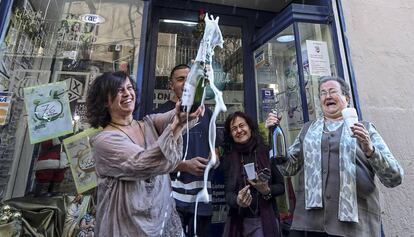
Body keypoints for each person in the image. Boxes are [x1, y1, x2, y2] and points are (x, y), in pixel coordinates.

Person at [265, 76, 404, 237]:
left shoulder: (365, 129)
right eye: (323, 93)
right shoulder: (307, 130)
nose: (327, 96)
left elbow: (395, 177)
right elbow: (288, 169)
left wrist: (370, 150)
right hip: (309, 225)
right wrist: (274, 135)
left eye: (332, 91)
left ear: (346, 98)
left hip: (354, 227)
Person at [86, 71, 202, 237]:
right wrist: (177, 125)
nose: (127, 93)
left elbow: (180, 115)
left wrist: (195, 91)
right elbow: (145, 163)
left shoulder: (149, 123)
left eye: (129, 88)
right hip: (127, 228)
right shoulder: (104, 141)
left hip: (160, 223)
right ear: (105, 101)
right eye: (119, 90)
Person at [153, 64, 217, 237]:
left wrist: (215, 158)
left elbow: (217, 150)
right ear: (170, 85)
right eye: (180, 79)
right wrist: (184, 165)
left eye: (190, 79)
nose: (186, 83)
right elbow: (152, 161)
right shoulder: (159, 116)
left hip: (202, 196)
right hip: (169, 195)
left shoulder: (207, 113)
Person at [221, 111, 285, 237]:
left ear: (249, 127)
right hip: (238, 222)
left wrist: (266, 190)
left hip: (265, 221)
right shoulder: (229, 158)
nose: (239, 131)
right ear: (231, 134)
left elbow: (281, 186)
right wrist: (238, 200)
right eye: (234, 129)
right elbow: (228, 194)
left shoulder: (266, 151)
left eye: (242, 125)